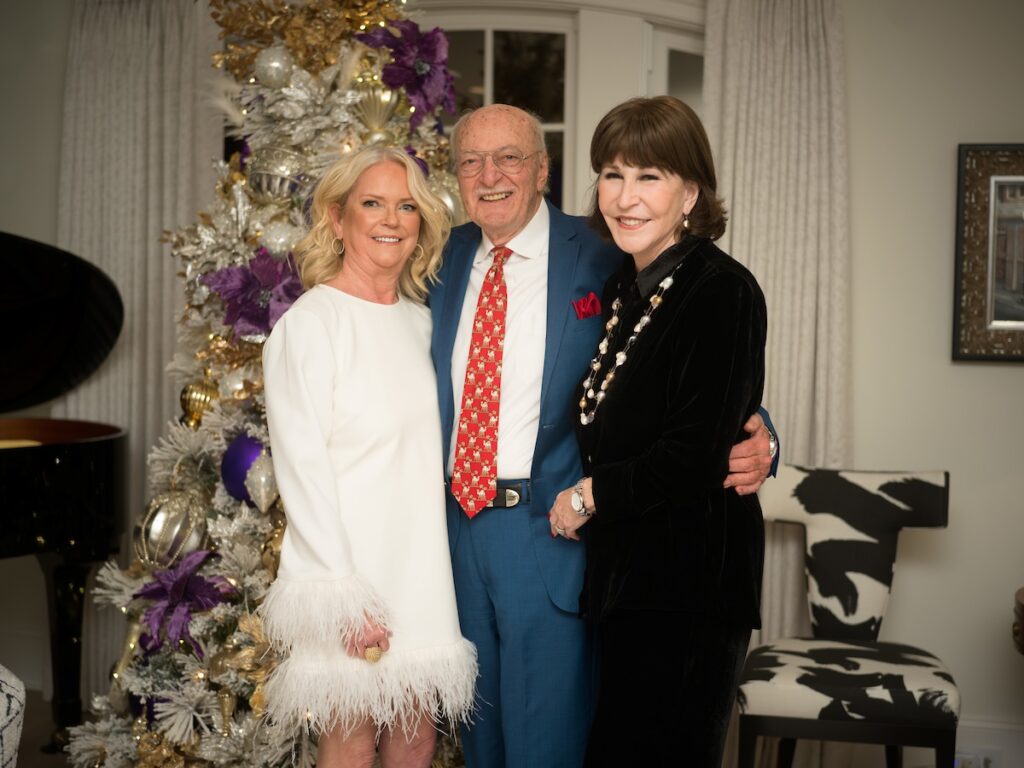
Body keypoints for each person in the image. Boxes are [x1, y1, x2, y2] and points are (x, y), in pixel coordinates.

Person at [429, 103, 777, 768]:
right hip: (458, 534)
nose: (490, 175)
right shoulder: (433, 259)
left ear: (543, 170)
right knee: (480, 744)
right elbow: (645, 388)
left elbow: (702, 394)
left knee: (558, 746)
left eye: (509, 158)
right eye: (472, 161)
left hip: (554, 533)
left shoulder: (602, 255)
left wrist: (760, 436)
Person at [547, 95, 767, 767]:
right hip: (633, 583)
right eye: (613, 175)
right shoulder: (630, 285)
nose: (625, 197)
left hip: (690, 590)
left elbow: (693, 453)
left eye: (649, 176)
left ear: (690, 192)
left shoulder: (720, 290)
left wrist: (587, 496)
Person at [259, 146, 477, 768]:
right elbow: (301, 471)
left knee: (418, 741)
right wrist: (344, 598)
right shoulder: (311, 325)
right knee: (351, 744)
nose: (391, 220)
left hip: (422, 569)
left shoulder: (425, 325)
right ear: (337, 217)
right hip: (347, 572)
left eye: (406, 207)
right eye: (373, 203)